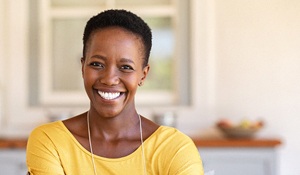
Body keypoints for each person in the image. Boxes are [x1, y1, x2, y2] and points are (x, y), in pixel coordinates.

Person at [26, 9, 204, 175]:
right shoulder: (50, 141)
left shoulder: (174, 148)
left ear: (143, 75)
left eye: (125, 67)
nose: (109, 79)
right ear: (82, 67)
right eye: (97, 64)